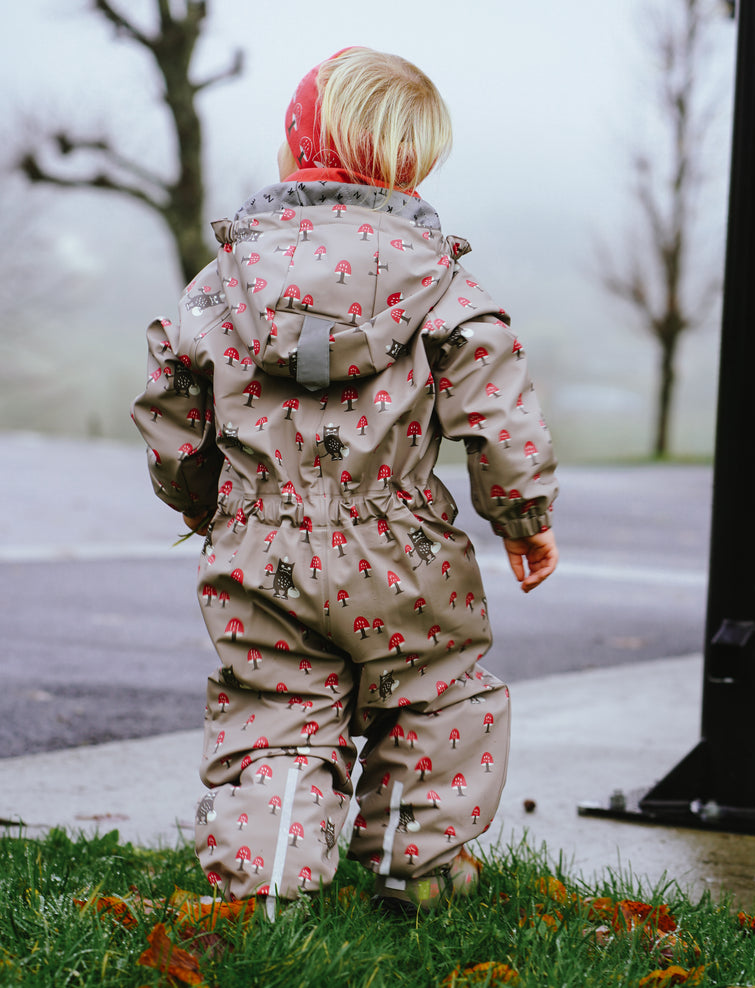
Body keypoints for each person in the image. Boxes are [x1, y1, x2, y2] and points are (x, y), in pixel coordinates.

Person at [132, 46, 558, 916]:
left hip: (263, 545)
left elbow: (174, 410)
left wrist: (200, 499)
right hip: (404, 551)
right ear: (413, 167)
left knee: (276, 707)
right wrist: (522, 514)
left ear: (295, 153)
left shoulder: (222, 284)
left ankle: (269, 878)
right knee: (436, 693)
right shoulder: (442, 282)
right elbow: (496, 408)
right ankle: (417, 864)